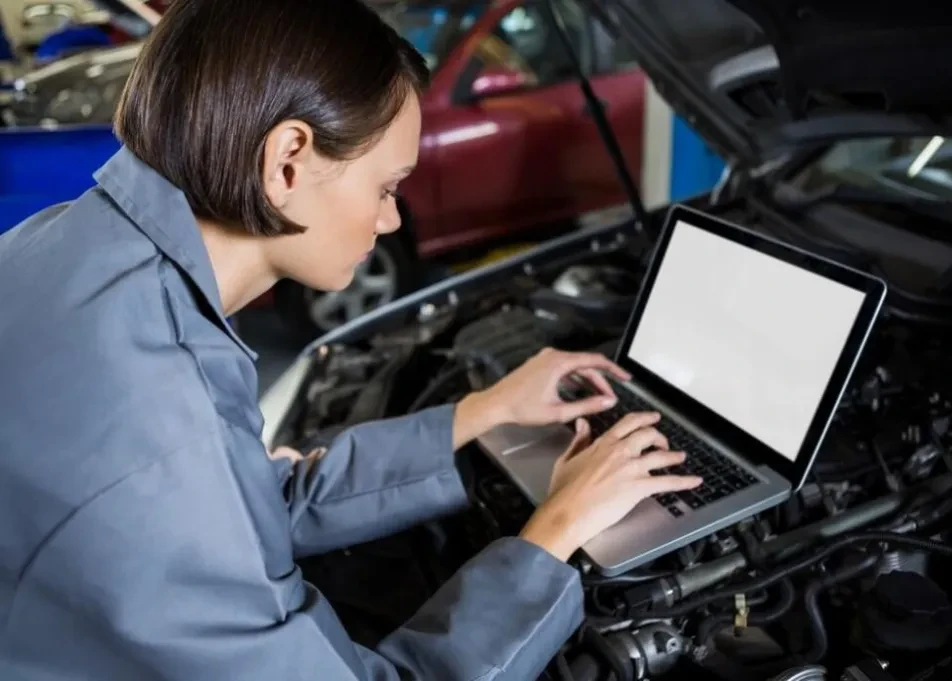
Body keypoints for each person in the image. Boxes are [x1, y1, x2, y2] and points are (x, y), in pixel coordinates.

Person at [0, 1, 702, 679]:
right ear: (289, 162)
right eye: (388, 186)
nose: (391, 220)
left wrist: (478, 414)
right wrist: (555, 533)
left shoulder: (64, 248)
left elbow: (248, 505)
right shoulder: (162, 427)